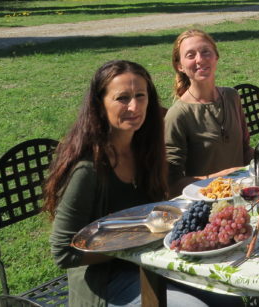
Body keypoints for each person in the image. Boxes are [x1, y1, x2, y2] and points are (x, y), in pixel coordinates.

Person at [46, 60, 217, 307]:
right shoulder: (87, 169)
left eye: (140, 96)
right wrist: (129, 246)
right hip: (104, 282)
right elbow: (63, 253)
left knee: (227, 295)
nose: (134, 106)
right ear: (100, 104)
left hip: (150, 262)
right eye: (122, 98)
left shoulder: (145, 150)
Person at [165, 30, 252, 196]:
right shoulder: (178, 115)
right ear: (180, 66)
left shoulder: (231, 97)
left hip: (243, 197)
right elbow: (172, 184)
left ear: (216, 57)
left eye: (206, 52)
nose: (200, 59)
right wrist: (223, 178)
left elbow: (245, 150)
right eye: (190, 55)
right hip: (203, 204)